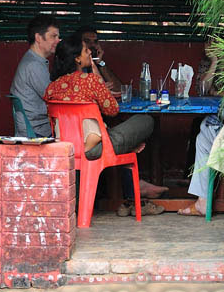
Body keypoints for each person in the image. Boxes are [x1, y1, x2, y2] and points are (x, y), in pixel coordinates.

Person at [44, 34, 167, 209]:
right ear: (77, 58)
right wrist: (96, 77)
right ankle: (129, 151)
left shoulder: (52, 87)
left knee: (110, 129)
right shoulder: (91, 81)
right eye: (86, 50)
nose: (89, 53)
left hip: (66, 147)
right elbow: (112, 110)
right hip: (95, 148)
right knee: (146, 120)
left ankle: (128, 160)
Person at [179, 50, 224, 216]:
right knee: (201, 128)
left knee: (204, 128)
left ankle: (206, 199)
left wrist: (217, 93)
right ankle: (203, 198)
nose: (210, 45)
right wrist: (214, 62)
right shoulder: (207, 62)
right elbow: (203, 90)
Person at [11, 14, 60, 137]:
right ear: (38, 37)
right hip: (37, 132)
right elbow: (54, 98)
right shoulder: (33, 65)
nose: (58, 40)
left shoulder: (34, 61)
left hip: (36, 128)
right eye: (53, 36)